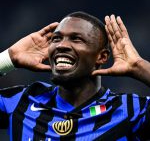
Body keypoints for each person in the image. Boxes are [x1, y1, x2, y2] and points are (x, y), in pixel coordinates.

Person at [0, 11, 150, 141]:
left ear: (102, 56)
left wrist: (138, 66)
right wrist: (9, 58)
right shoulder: (22, 100)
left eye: (76, 39)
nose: (61, 45)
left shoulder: (129, 109)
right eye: (56, 38)